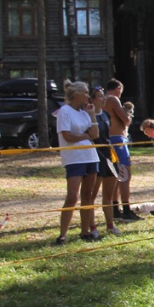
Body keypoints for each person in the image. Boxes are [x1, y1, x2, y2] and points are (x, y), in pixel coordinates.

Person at [55, 80, 100, 245]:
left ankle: (85, 231)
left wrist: (92, 114)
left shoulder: (84, 112)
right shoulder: (64, 111)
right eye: (86, 92)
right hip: (74, 159)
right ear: (76, 94)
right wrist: (85, 136)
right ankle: (62, 235)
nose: (88, 96)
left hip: (91, 157)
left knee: (88, 195)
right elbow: (67, 136)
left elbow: (95, 134)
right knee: (72, 197)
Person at [104, 80, 142, 221]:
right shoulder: (113, 99)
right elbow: (126, 120)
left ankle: (115, 209)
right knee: (125, 175)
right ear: (118, 88)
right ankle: (126, 209)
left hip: (109, 139)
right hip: (118, 139)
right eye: (120, 91)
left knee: (116, 175)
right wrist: (128, 114)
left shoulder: (101, 100)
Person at [86, 86, 122, 236]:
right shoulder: (87, 116)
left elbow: (109, 136)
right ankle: (92, 228)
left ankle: (110, 226)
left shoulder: (106, 115)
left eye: (103, 96)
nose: (104, 98)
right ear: (92, 99)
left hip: (108, 156)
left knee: (108, 195)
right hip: (94, 156)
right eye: (100, 96)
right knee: (91, 196)